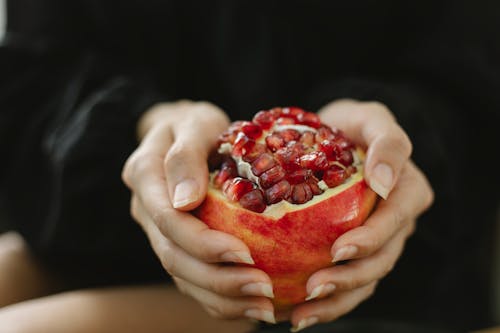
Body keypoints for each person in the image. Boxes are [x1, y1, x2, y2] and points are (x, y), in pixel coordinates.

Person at [0, 0, 498, 332]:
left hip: (359, 284)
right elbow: (37, 70)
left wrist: (397, 130)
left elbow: (469, 78)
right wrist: (143, 121)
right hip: (106, 207)